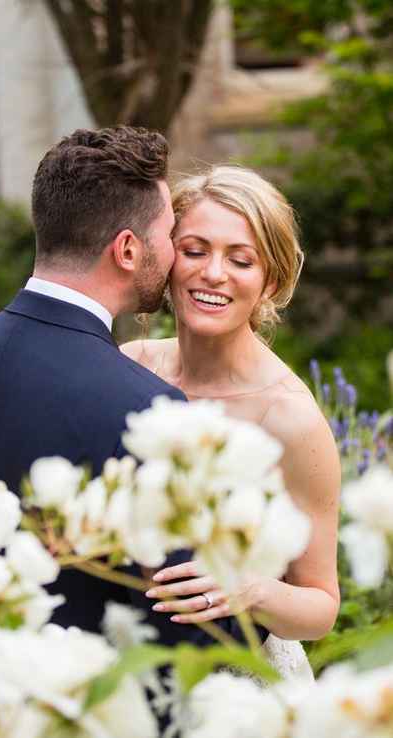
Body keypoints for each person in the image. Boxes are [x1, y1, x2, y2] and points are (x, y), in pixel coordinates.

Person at [0, 126, 195, 642]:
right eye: (169, 234)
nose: (175, 253)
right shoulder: (147, 408)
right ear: (128, 249)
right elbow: (180, 630)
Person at [121, 165, 341, 653]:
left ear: (270, 281)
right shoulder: (130, 367)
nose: (213, 273)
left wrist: (251, 589)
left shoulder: (289, 417)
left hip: (244, 684)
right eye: (195, 251)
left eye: (241, 260)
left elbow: (321, 607)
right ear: (166, 258)